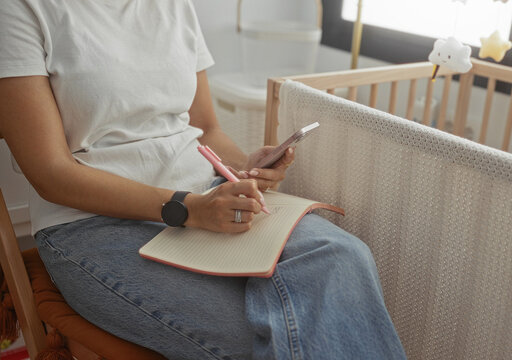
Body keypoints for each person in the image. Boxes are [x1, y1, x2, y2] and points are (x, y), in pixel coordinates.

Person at [0, 1, 407, 359]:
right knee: (271, 330)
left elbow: (206, 129)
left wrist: (244, 166)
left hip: (203, 195)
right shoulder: (20, 9)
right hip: (92, 221)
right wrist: (188, 209)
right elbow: (51, 174)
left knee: (344, 255)